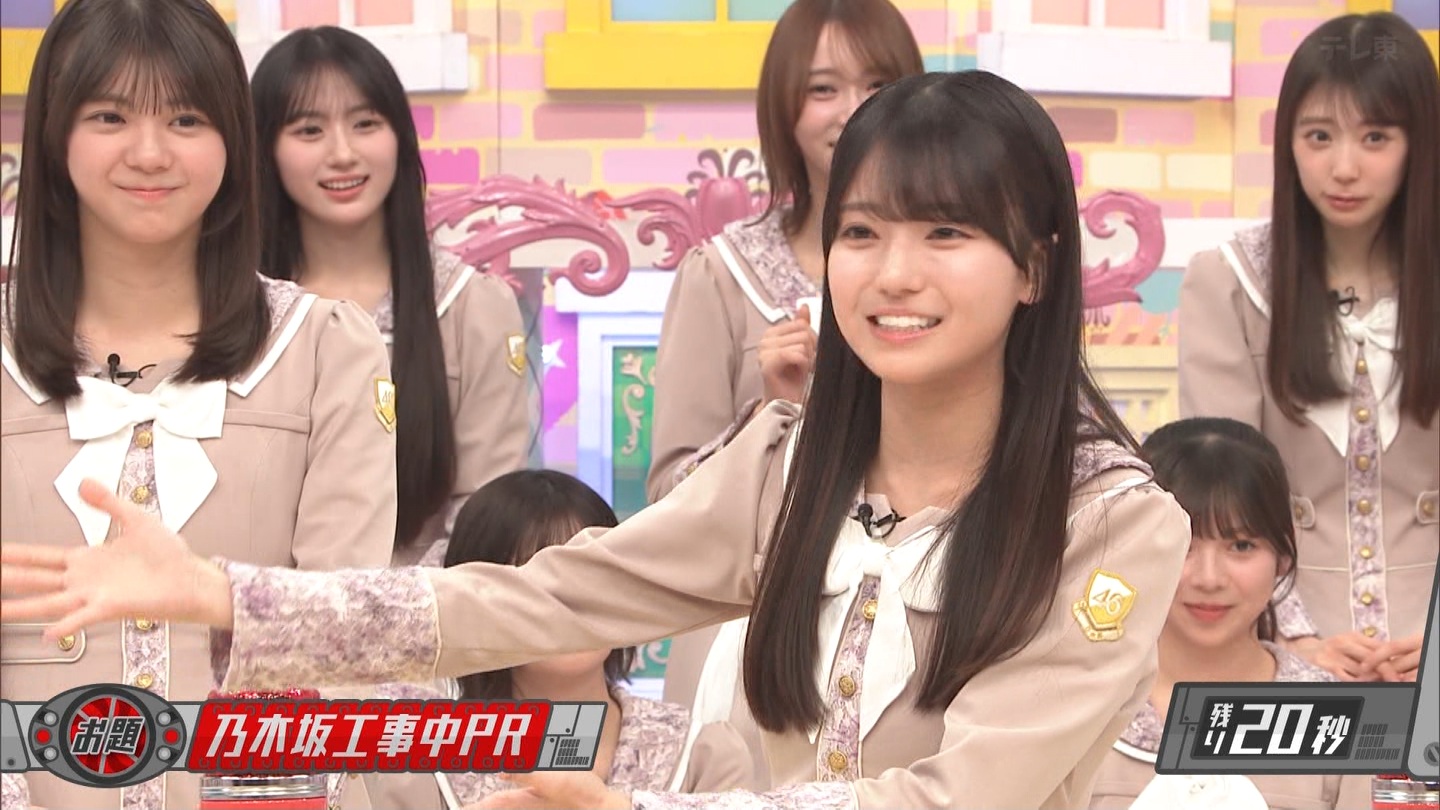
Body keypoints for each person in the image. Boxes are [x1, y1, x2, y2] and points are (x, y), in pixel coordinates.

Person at [2, 70, 1192, 810]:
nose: (892, 276)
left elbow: (963, 796)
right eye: (863, 233)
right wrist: (223, 593)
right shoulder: (785, 468)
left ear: (1036, 268)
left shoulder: (1114, 522)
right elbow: (543, 598)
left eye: (947, 236)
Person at [0, 2, 396, 809]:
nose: (150, 153)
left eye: (185, 119)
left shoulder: (324, 348)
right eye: (110, 117)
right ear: (53, 135)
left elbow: (345, 630)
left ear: (232, 141)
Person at [1178, 11, 1438, 683]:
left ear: (1419, 142)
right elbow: (1222, 493)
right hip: (1282, 644)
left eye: (1375, 137)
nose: (1343, 168)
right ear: (1288, 141)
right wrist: (1291, 640)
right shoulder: (1230, 282)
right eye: (1319, 136)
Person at [250, 26, 532, 567]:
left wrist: (385, 606)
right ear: (265, 149)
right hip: (256, 607)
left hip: (428, 609)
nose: (342, 153)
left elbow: (485, 516)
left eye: (365, 124)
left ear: (400, 136)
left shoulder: (472, 306)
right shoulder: (234, 310)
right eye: (309, 130)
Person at [646, 0, 923, 504]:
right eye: (823, 89)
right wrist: (767, 415)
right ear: (783, 107)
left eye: (878, 85)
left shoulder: (953, 267)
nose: (854, 111)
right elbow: (668, 498)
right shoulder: (722, 274)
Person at [365, 470, 755, 808]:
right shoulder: (419, 763)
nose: (571, 604)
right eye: (540, 582)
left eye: (591, 577)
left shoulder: (701, 755)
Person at [1089, 417, 1372, 810]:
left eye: (1241, 546)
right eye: (1185, 542)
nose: (1209, 579)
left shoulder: (1338, 718)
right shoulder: (1084, 705)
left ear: (1283, 556)